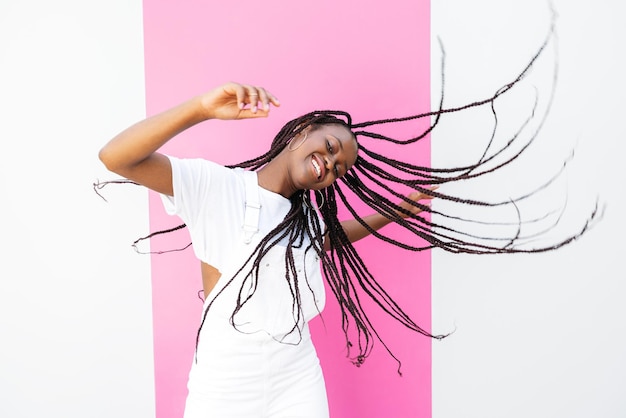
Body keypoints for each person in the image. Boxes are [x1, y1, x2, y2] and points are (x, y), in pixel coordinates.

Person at [98, 18, 599, 418]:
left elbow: (333, 238)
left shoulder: (302, 224)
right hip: (225, 384)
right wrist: (203, 108)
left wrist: (399, 210)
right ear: (304, 130)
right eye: (330, 147)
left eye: (338, 168)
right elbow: (116, 157)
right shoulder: (214, 187)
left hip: (297, 376)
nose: (329, 164)